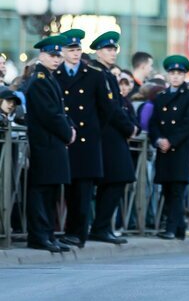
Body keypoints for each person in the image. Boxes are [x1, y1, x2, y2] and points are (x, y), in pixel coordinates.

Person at [55, 29, 113, 248]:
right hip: (65, 139)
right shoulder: (56, 75)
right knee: (68, 190)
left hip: (87, 140)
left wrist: (94, 130)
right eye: (71, 49)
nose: (76, 53)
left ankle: (78, 233)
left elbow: (106, 109)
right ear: (62, 52)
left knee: (83, 191)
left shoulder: (94, 75)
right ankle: (68, 230)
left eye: (78, 49)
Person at [87, 31, 138, 244]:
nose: (113, 53)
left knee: (115, 181)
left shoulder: (106, 74)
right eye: (108, 50)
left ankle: (102, 226)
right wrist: (130, 128)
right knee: (115, 180)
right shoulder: (99, 73)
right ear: (98, 52)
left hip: (112, 134)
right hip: (108, 134)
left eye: (114, 49)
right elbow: (112, 108)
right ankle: (100, 226)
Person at [25, 35, 75, 252]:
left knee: (51, 192)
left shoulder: (49, 78)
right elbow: (50, 115)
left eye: (58, 56)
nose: (56, 59)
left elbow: (60, 111)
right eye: (52, 55)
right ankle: (39, 235)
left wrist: (70, 129)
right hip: (44, 144)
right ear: (41, 55)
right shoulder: (39, 80)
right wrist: (67, 132)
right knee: (41, 191)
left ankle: (48, 234)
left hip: (52, 144)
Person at [149, 55, 189, 240]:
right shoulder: (161, 97)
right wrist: (158, 140)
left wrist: (171, 141)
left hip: (180, 149)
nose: (175, 77)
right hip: (163, 149)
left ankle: (171, 227)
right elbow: (153, 123)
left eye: (179, 73)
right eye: (172, 73)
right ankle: (179, 227)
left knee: (177, 190)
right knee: (166, 188)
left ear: (184, 75)